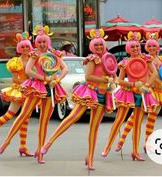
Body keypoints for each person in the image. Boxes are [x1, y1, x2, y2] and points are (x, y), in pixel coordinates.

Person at [40, 28, 117, 170]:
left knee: (94, 128)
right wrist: (105, 79)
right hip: (90, 92)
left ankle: (91, 158)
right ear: (92, 46)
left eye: (101, 44)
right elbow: (88, 77)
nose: (99, 47)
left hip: (103, 94)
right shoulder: (92, 59)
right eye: (96, 45)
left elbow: (114, 75)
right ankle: (49, 142)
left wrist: (113, 81)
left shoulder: (108, 59)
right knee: (72, 117)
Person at [0, 25, 68, 164]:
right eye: (39, 42)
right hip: (36, 87)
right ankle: (6, 142)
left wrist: (57, 79)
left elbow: (64, 69)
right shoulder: (34, 54)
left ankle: (40, 152)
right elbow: (28, 71)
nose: (42, 44)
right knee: (23, 115)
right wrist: (44, 78)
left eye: (44, 42)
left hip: (51, 89)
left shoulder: (53, 54)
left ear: (48, 42)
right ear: (36, 43)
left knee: (44, 121)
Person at [101, 31, 158, 161]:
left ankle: (135, 152)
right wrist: (133, 83)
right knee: (119, 120)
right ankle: (107, 147)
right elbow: (119, 81)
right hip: (128, 93)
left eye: (137, 46)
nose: (136, 49)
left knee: (138, 124)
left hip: (142, 94)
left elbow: (154, 73)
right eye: (132, 47)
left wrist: (147, 85)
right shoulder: (125, 63)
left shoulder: (146, 59)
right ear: (128, 49)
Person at [115, 32, 162, 153]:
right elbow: (149, 75)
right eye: (150, 46)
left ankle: (148, 144)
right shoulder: (145, 59)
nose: (152, 48)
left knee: (152, 119)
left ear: (158, 47)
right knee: (134, 118)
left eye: (154, 46)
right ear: (146, 47)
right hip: (149, 91)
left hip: (161, 92)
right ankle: (121, 141)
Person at [0, 32, 34, 157]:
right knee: (9, 115)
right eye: (23, 46)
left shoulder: (34, 59)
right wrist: (28, 81)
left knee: (25, 119)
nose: (25, 49)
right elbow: (15, 79)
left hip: (30, 92)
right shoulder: (16, 61)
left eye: (27, 46)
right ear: (19, 48)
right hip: (19, 91)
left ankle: (23, 147)